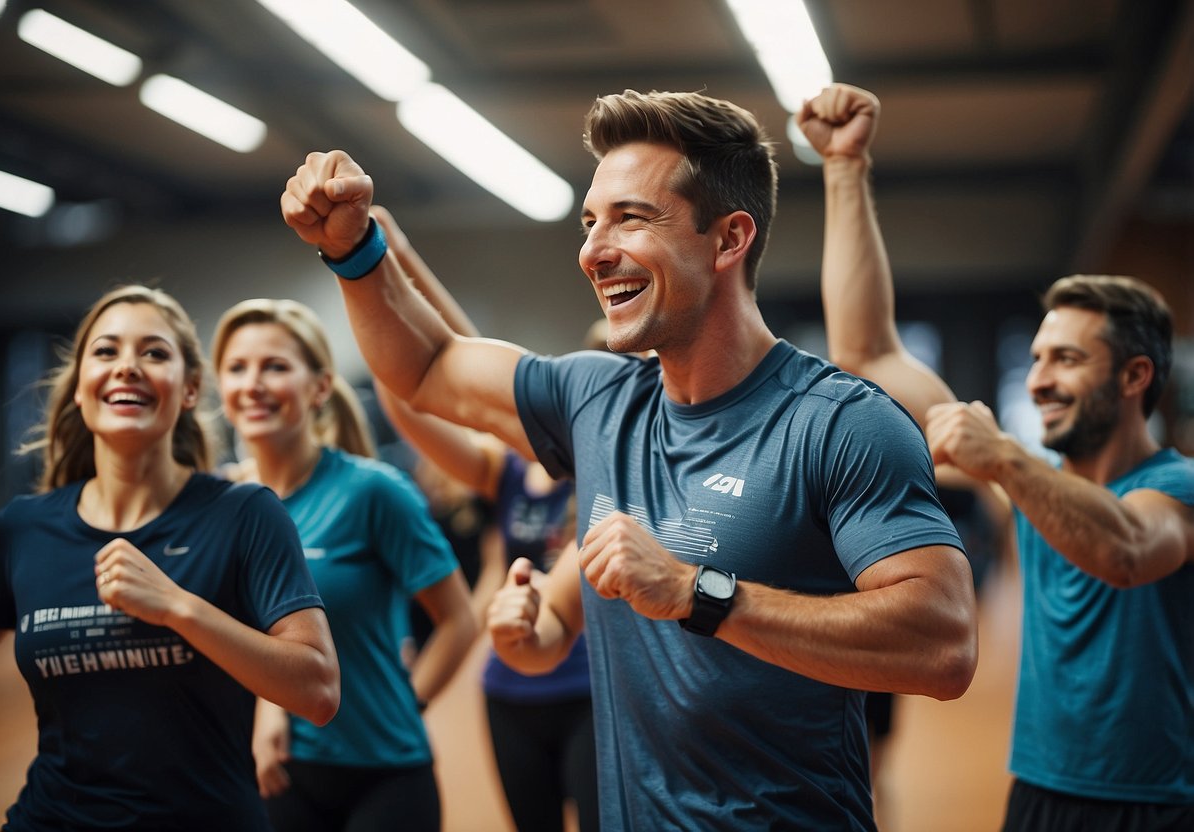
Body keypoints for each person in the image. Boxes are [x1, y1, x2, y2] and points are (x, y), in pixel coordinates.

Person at [280, 82, 979, 830]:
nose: (592, 250)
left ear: (728, 239)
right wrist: (355, 253)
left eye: (630, 218)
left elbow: (942, 645)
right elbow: (426, 366)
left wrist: (698, 593)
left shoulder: (838, 422)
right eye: (589, 222)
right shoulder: (598, 397)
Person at [802, 85, 1194, 830]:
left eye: (1066, 360)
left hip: (1157, 805)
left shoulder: (1175, 489)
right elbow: (869, 352)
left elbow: (1128, 548)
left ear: (1134, 377)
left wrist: (1005, 461)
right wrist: (844, 167)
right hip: (1040, 794)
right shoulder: (1032, 487)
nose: (1038, 379)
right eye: (1037, 358)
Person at [0, 285, 340, 831]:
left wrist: (178, 607)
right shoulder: (23, 530)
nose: (127, 366)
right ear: (81, 387)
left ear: (191, 388)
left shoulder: (244, 514)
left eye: (153, 352)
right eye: (106, 352)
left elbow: (317, 691)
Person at [367, 206, 598, 832]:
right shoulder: (511, 467)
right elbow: (453, 363)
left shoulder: (618, 473)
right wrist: (392, 260)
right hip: (510, 688)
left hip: (593, 689)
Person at [211, 297, 477, 832]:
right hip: (274, 771)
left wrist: (410, 702)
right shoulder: (220, 504)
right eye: (237, 368)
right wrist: (266, 711)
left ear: (320, 387)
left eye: (275, 366)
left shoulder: (372, 491)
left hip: (384, 772)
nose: (253, 383)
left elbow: (459, 621)